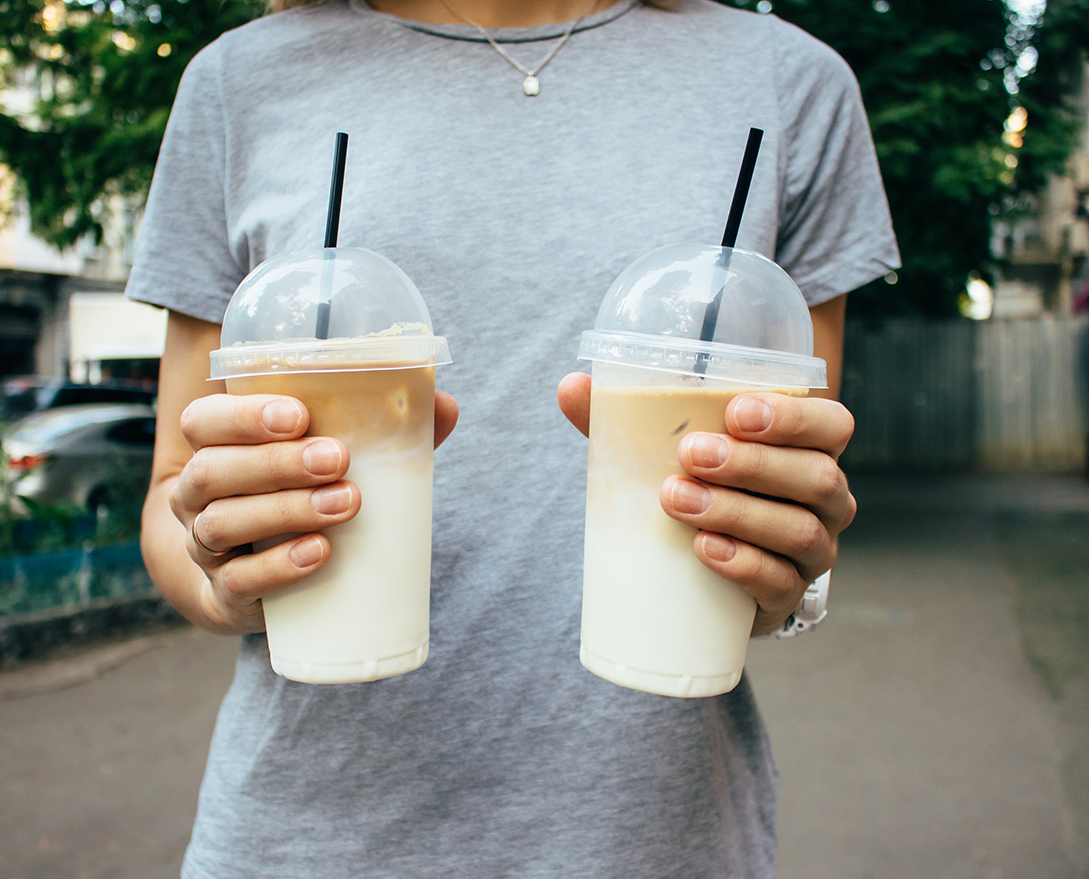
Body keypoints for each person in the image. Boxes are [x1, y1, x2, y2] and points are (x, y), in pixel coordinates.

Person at [125, 0, 899, 875]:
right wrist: (225, 575)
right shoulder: (237, 82)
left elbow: (798, 480)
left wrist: (780, 567)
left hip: (654, 840)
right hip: (305, 841)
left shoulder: (790, 84)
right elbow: (174, 491)